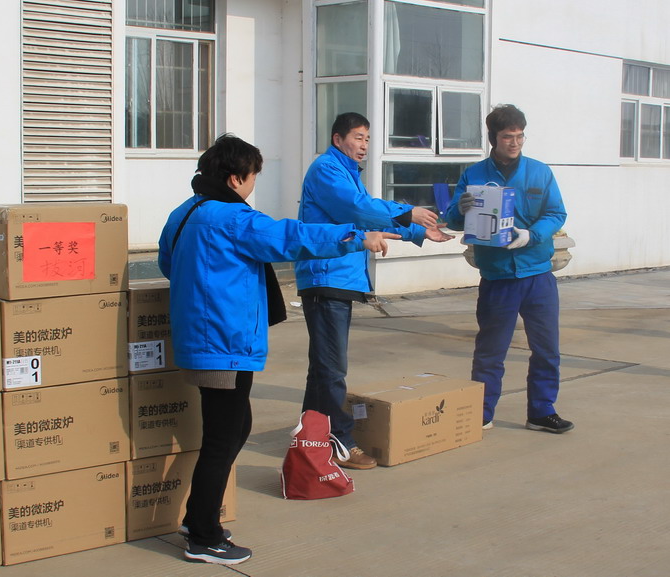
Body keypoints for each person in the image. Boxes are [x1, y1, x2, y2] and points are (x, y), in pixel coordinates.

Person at [158, 134, 400, 565]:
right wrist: (355, 237)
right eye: (253, 176)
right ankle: (203, 536)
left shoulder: (184, 213)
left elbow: (166, 263)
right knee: (222, 438)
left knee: (234, 427)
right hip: (225, 343)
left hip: (202, 338)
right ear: (235, 178)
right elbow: (292, 237)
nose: (254, 185)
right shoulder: (233, 217)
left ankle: (198, 520)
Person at [295, 112, 454, 470]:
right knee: (332, 369)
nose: (364, 145)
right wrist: (408, 213)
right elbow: (358, 210)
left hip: (338, 278)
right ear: (337, 140)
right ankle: (340, 440)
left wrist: (418, 232)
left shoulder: (347, 174)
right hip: (326, 277)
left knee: (323, 369)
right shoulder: (327, 170)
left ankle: (310, 438)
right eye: (357, 137)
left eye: (367, 138)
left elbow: (366, 217)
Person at [443, 104, 574, 434]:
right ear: (493, 138)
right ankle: (482, 413)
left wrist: (532, 235)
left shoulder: (539, 172)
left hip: (537, 274)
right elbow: (453, 219)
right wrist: (459, 209)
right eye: (507, 137)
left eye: (519, 136)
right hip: (497, 276)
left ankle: (541, 411)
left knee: (546, 349)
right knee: (490, 351)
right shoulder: (474, 175)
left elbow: (556, 213)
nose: (514, 143)